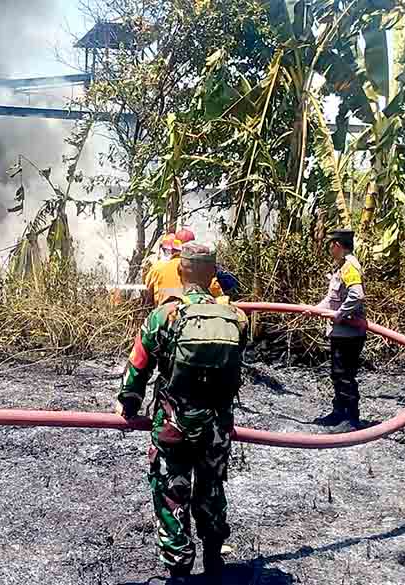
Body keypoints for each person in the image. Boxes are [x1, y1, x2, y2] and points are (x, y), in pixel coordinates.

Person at [117, 243, 248, 581]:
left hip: (174, 425)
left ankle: (179, 571)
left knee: (172, 492)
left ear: (180, 271)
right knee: (211, 489)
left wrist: (129, 403)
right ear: (213, 273)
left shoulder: (165, 315)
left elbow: (138, 366)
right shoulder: (236, 317)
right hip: (217, 426)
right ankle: (214, 558)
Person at [311, 229, 367, 428]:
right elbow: (332, 299)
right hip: (341, 332)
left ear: (336, 245)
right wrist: (314, 310)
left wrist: (339, 314)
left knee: (345, 375)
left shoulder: (350, 267)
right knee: (337, 373)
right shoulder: (341, 267)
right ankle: (338, 412)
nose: (328, 248)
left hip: (349, 333)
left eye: (330, 245)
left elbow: (357, 295)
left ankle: (351, 419)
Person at [143, 228, 223, 306]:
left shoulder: (157, 268)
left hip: (165, 316)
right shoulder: (203, 269)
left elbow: (147, 300)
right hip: (198, 315)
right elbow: (218, 298)